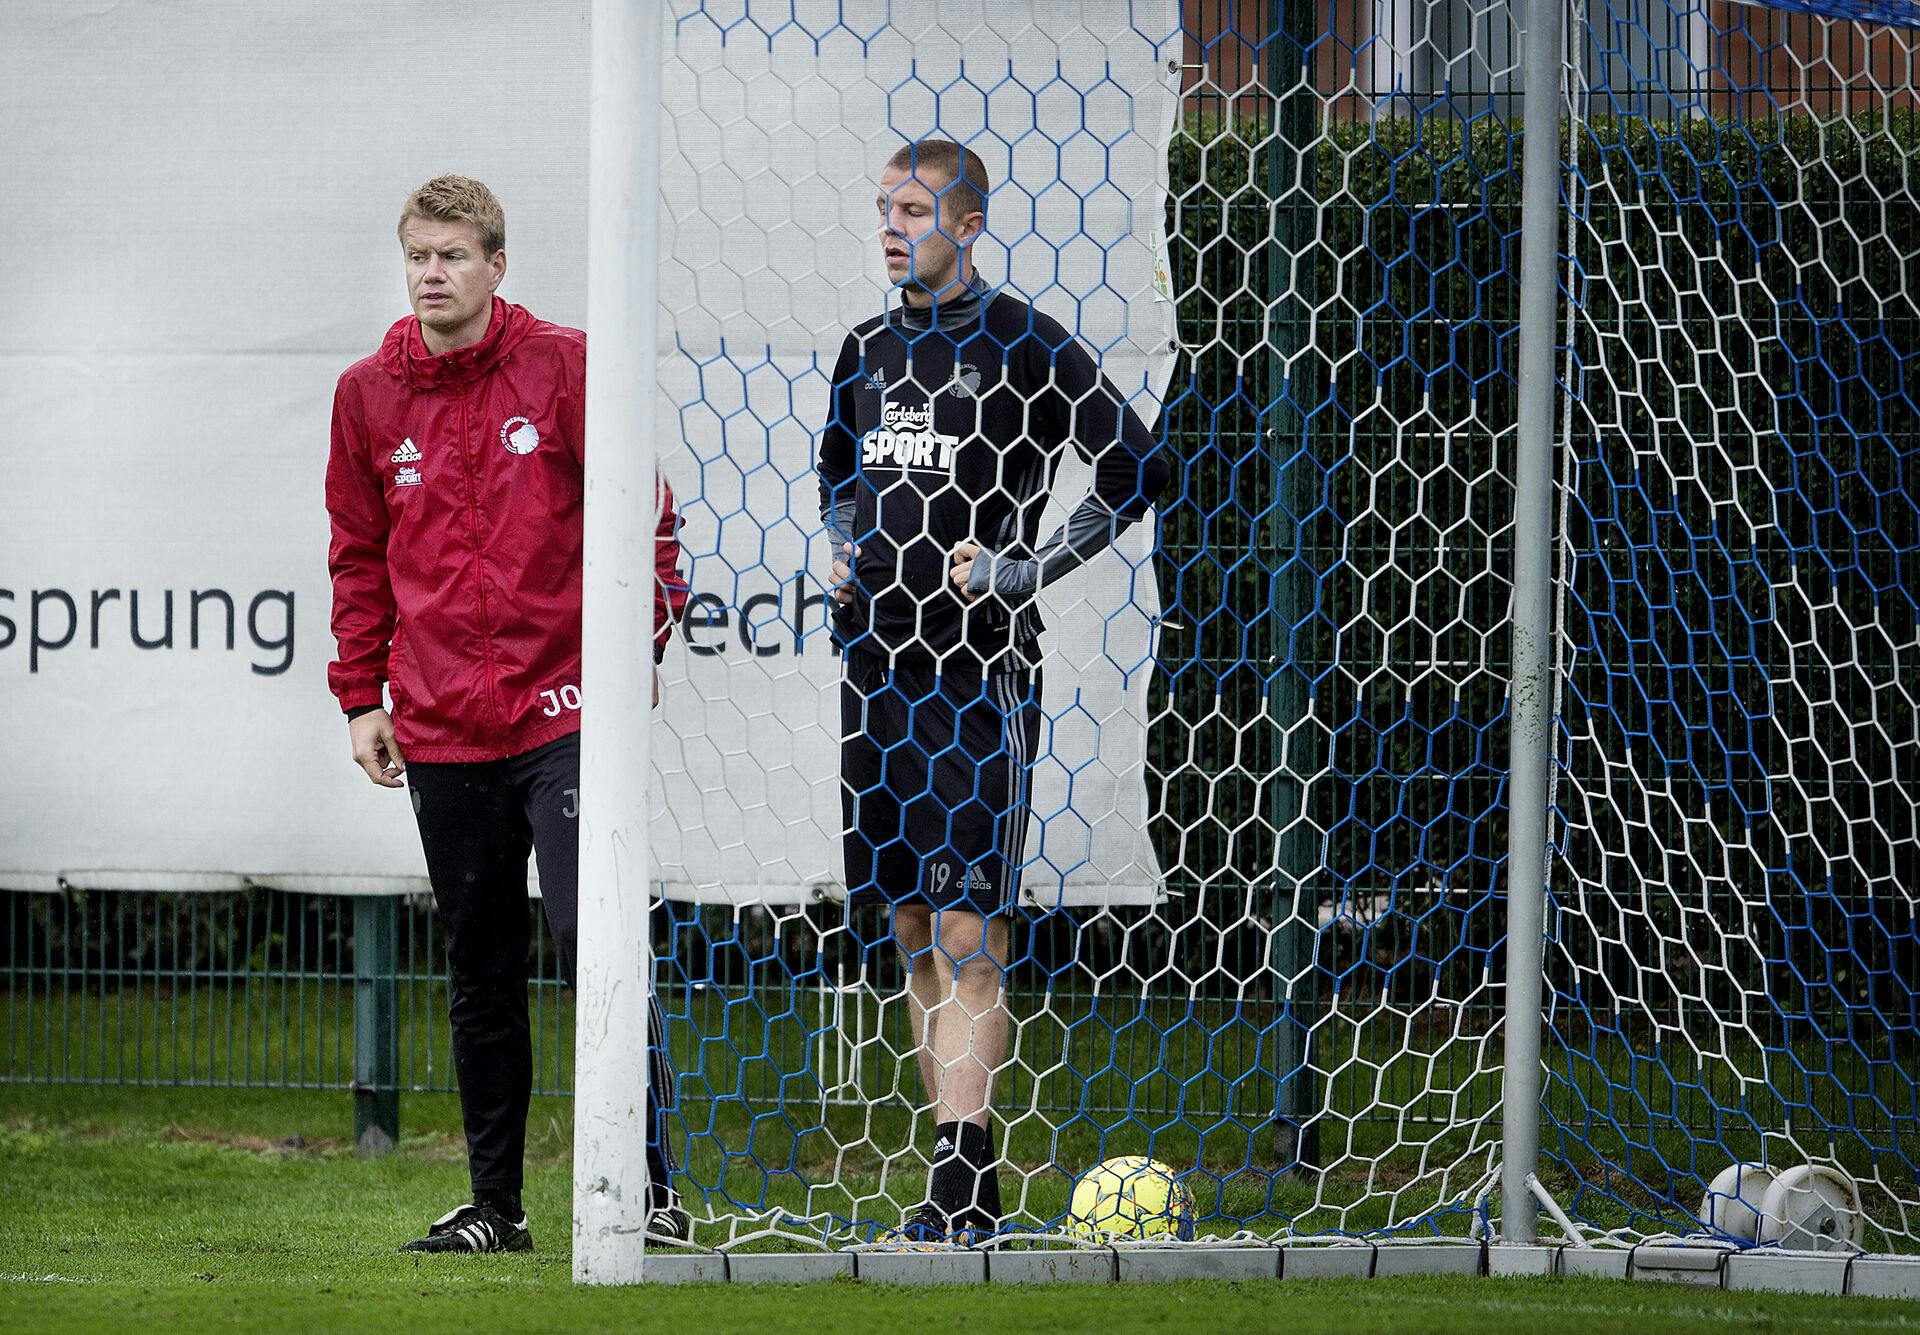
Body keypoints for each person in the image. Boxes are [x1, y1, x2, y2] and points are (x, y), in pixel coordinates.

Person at [326, 175, 692, 1253]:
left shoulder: (564, 366)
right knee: (480, 968)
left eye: (453, 254)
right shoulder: (366, 396)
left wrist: (641, 644)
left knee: (597, 943)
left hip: (565, 708)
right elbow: (356, 557)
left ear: (496, 265)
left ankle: (654, 1192)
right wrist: (362, 697)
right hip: (441, 723)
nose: (432, 272)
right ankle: (498, 1208)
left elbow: (648, 512)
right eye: (417, 255)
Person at [816, 140, 1171, 1242]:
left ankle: (965, 1187)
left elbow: (1137, 467)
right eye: (884, 206)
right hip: (873, 668)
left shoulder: (1022, 342)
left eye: (914, 209)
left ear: (968, 225)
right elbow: (839, 476)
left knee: (972, 935)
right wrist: (837, 545)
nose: (891, 225)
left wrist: (1024, 569)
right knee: (915, 931)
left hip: (977, 677)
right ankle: (950, 1178)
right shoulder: (866, 346)